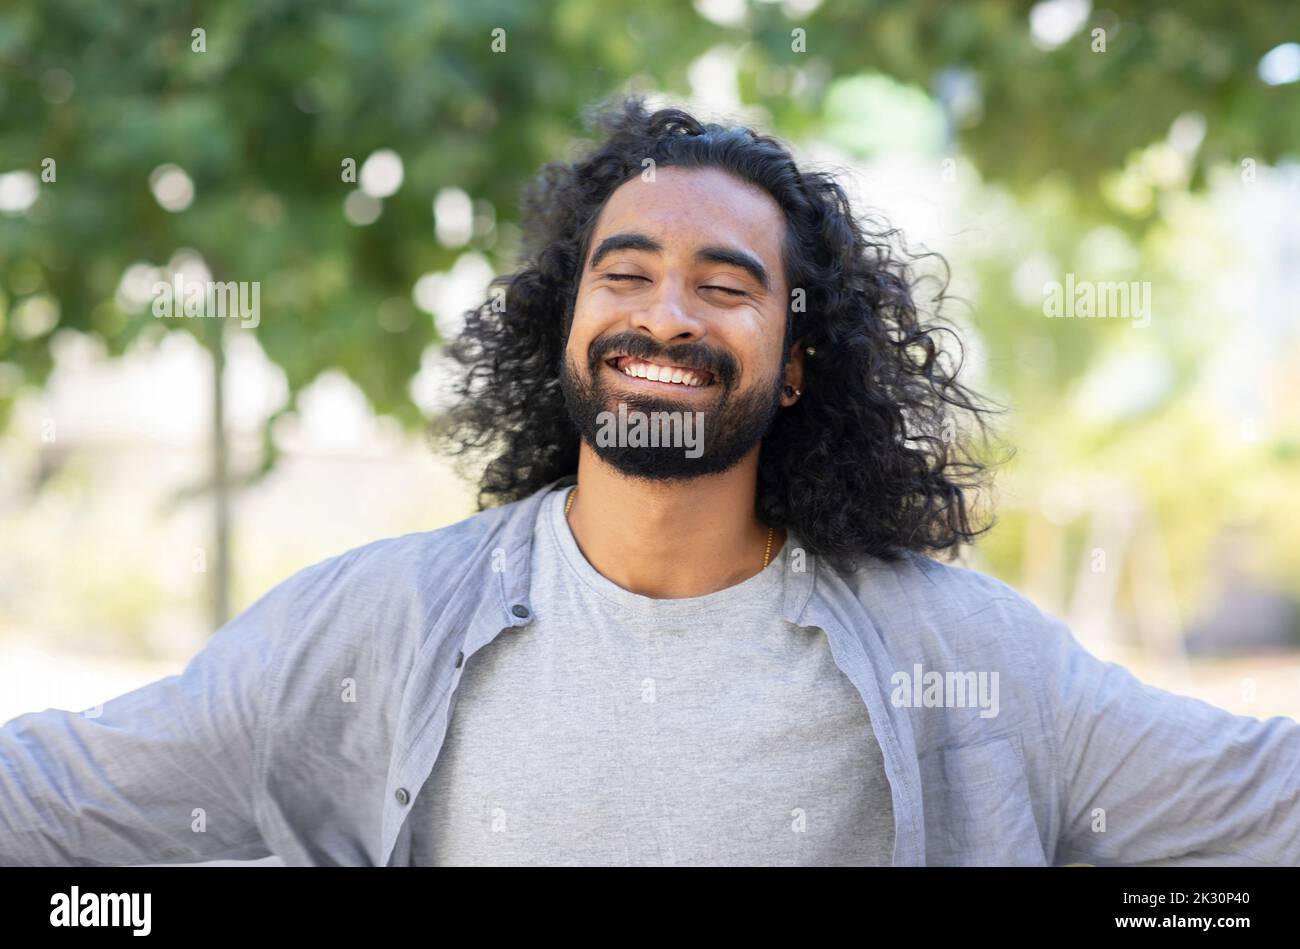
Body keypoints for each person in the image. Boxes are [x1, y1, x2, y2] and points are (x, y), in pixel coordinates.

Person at [2, 96, 1297, 866]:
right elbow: (70, 795)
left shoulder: (963, 656)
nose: (663, 315)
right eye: (621, 274)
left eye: (726, 285)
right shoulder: (378, 625)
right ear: (562, 327)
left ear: (796, 364)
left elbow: (1253, 806)